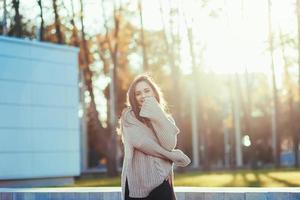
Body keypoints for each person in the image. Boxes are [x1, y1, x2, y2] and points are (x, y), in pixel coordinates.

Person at [118, 74, 191, 200]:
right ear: (133, 97)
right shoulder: (129, 117)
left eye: (147, 91)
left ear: (154, 92)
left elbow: (169, 144)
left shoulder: (166, 118)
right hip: (137, 184)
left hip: (162, 181)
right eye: (138, 93)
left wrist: (157, 115)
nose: (143, 96)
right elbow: (143, 143)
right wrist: (171, 156)